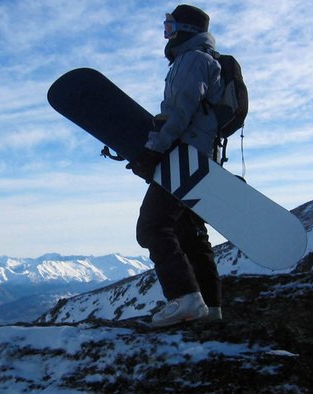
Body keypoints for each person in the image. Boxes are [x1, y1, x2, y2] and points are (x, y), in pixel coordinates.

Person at [127, 4, 224, 327]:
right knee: (189, 230)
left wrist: (153, 151)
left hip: (185, 157)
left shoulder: (191, 60)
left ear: (185, 30)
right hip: (203, 157)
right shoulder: (205, 60)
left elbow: (178, 112)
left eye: (169, 27)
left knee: (153, 225)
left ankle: (184, 298)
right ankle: (209, 306)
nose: (166, 34)